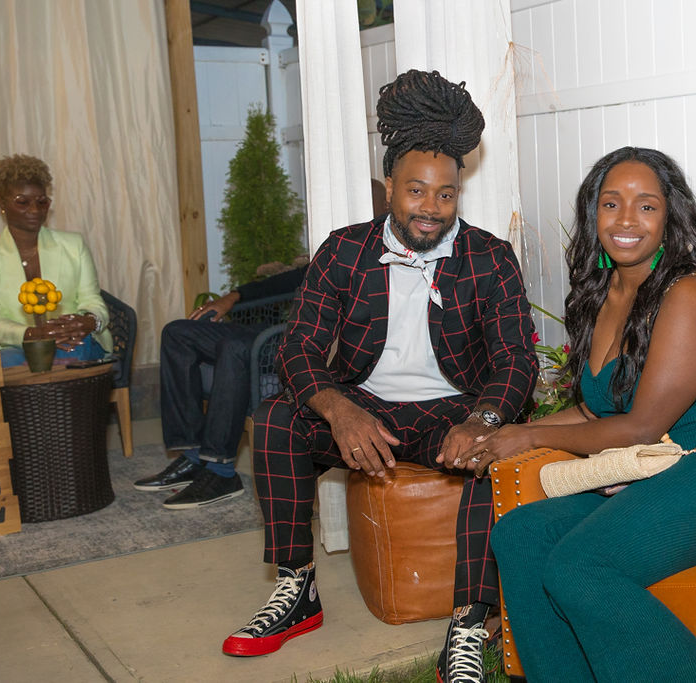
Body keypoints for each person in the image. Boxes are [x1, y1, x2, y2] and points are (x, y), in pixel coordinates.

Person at [221, 70, 538, 683]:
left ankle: (471, 622)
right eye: (416, 191)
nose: (431, 208)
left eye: (446, 195)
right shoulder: (343, 251)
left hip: (453, 408)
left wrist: (484, 419)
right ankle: (297, 589)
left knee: (494, 449)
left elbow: (517, 359)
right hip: (368, 405)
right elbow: (297, 349)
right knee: (280, 417)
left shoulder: (490, 257)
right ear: (389, 186)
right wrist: (340, 410)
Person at [474, 147, 696, 681]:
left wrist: (527, 441)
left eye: (646, 206)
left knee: (580, 567)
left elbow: (641, 425)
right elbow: (591, 408)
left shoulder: (687, 294)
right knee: (519, 535)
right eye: (611, 203)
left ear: (670, 218)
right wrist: (511, 431)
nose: (626, 220)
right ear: (592, 213)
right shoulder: (601, 294)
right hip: (656, 470)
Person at [133, 179, 390, 510]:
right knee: (178, 333)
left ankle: (221, 471)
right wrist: (234, 296)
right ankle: (194, 455)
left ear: (384, 205)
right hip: (279, 332)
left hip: (305, 348)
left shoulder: (385, 258)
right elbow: (289, 279)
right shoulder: (341, 247)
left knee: (236, 350)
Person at [0, 154, 111, 365]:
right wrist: (35, 334)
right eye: (22, 202)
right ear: (1, 204)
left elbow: (92, 300)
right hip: (12, 347)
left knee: (70, 353)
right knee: (8, 365)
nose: (34, 210)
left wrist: (87, 322)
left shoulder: (74, 245)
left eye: (41, 202)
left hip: (74, 343)